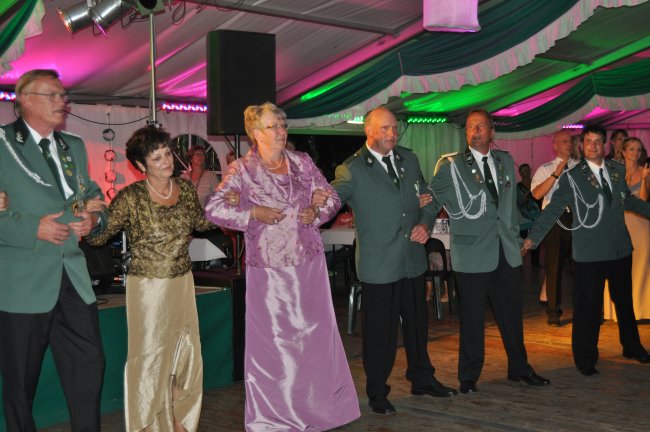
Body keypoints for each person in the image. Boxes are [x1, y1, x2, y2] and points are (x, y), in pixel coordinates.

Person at [205, 102, 359, 431]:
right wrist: (253, 213)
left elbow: (332, 198)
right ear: (255, 133)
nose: (280, 131)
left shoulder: (302, 162)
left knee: (315, 340)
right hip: (270, 270)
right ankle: (276, 417)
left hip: (310, 265)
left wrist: (315, 214)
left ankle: (320, 410)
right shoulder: (242, 170)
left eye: (282, 125)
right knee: (276, 346)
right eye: (272, 126)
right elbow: (214, 209)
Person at [86, 126, 214, 431]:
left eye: (167, 153)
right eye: (157, 158)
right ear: (141, 165)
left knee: (186, 353)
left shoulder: (184, 189)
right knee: (151, 357)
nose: (166, 161)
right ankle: (148, 425)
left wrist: (230, 206)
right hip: (148, 289)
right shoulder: (131, 197)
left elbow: (201, 223)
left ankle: (179, 420)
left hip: (182, 283)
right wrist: (90, 217)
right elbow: (98, 238)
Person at [331, 106, 456, 415]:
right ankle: (377, 391)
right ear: (368, 131)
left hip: (412, 259)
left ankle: (422, 378)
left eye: (394, 128)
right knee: (380, 333)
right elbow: (331, 200)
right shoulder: (352, 169)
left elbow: (426, 197)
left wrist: (425, 223)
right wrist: (314, 205)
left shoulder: (408, 160)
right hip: (379, 265)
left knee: (417, 324)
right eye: (384, 128)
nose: (392, 133)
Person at [0, 69, 106, 432]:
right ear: (25, 100)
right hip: (23, 281)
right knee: (20, 382)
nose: (63, 101)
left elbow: (90, 195)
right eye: (53, 95)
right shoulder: (3, 143)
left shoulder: (72, 145)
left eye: (63, 95)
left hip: (72, 274)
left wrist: (94, 219)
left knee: (89, 366)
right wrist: (33, 228)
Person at [428, 109, 550, 394]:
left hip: (505, 250)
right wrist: (421, 223)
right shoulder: (451, 165)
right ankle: (468, 376)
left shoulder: (505, 161)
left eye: (480, 126)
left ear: (492, 132)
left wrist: (517, 238)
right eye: (470, 127)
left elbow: (508, 209)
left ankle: (520, 368)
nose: (475, 131)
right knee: (472, 317)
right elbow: (432, 201)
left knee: (511, 315)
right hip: (472, 252)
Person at [523, 125, 650, 376]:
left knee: (625, 303)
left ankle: (632, 347)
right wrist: (532, 238)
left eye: (597, 141)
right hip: (589, 254)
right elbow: (553, 209)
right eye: (588, 141)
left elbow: (628, 200)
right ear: (581, 145)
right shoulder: (572, 176)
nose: (593, 145)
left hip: (619, 249)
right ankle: (585, 358)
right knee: (587, 308)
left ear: (605, 145)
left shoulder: (616, 170)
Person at [530, 130, 578, 326]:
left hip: (577, 219)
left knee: (581, 266)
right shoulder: (546, 168)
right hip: (555, 220)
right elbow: (537, 194)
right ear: (555, 146)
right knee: (554, 266)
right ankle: (553, 311)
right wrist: (556, 173)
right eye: (564, 141)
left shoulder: (580, 167)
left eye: (571, 141)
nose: (569, 144)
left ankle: (586, 309)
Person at [604, 137, 650, 320]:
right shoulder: (614, 171)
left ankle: (640, 310)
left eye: (638, 150)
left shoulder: (645, 171)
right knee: (618, 268)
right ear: (623, 151)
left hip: (640, 225)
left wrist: (644, 179)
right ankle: (617, 311)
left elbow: (643, 201)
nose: (635, 153)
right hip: (619, 223)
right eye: (631, 149)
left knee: (641, 265)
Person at [516, 163, 541, 267]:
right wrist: (529, 191)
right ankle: (519, 263)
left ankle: (535, 263)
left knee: (535, 241)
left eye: (528, 169)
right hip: (523, 218)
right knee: (523, 241)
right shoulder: (518, 186)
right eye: (524, 170)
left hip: (536, 216)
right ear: (520, 173)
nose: (527, 171)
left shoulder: (536, 183)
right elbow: (519, 201)